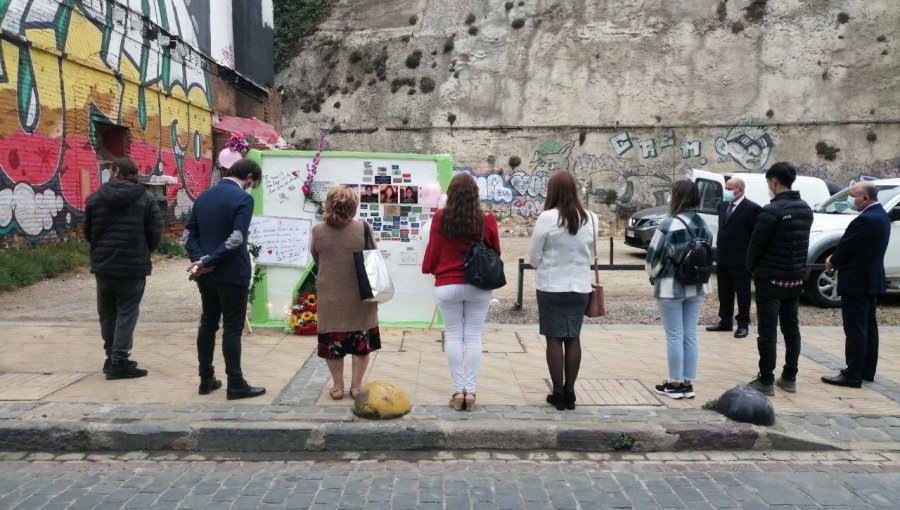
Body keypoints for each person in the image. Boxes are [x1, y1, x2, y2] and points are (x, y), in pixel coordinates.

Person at [184, 159, 266, 400]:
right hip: (232, 272)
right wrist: (210, 260)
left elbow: (189, 234)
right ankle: (236, 383)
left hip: (206, 275)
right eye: (254, 183)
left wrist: (201, 260)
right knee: (232, 327)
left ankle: (206, 378)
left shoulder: (204, 197)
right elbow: (237, 238)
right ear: (249, 177)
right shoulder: (243, 199)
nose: (252, 188)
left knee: (208, 322)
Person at [422, 173, 500, 411]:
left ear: (451, 193)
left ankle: (458, 391)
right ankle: (471, 392)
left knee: (454, 336)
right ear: (475, 194)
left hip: (447, 285)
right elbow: (496, 251)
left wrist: (430, 269)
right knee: (473, 337)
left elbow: (433, 250)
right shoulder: (486, 219)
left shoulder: (440, 218)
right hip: (478, 285)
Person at [83, 157, 162, 380]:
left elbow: (88, 231)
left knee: (107, 312)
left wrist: (101, 250)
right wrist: (144, 251)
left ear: (116, 171)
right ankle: (120, 360)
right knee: (127, 311)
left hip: (104, 265)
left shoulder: (96, 197)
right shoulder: (146, 199)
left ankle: (111, 357)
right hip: (133, 266)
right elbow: (155, 233)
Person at [528, 171, 597, 410]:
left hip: (550, 285)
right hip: (579, 286)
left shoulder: (547, 217)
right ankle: (571, 392)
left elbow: (534, 254)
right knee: (573, 337)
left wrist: (540, 263)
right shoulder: (591, 218)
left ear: (552, 191)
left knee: (553, 338)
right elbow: (592, 251)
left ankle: (557, 393)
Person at [745, 162, 813, 396]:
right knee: (791, 328)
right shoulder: (805, 208)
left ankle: (765, 379)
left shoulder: (771, 210)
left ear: (774, 182)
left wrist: (751, 268)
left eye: (768, 183)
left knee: (768, 331)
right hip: (794, 279)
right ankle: (790, 376)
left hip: (771, 280)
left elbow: (756, 245)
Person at [310, 185, 381, 400]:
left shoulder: (318, 231)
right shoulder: (363, 228)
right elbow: (373, 257)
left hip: (331, 297)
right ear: (353, 206)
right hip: (361, 296)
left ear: (329, 204)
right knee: (361, 345)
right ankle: (356, 386)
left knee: (333, 345)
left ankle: (338, 387)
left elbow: (316, 258)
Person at [645, 180, 713, 399]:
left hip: (671, 286)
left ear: (677, 196)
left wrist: (653, 275)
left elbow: (653, 257)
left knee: (674, 335)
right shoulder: (703, 223)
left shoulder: (669, 223)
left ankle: (674, 384)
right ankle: (687, 382)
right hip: (697, 285)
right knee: (690, 334)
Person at [821, 182, 891, 388]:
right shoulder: (881, 215)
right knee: (868, 327)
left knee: (856, 329)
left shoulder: (866, 219)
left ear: (864, 198)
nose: (849, 200)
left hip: (858, 282)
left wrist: (832, 260)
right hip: (870, 280)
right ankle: (866, 370)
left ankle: (852, 374)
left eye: (852, 196)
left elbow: (847, 246)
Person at [706, 177, 761, 339]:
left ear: (740, 190)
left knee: (743, 294)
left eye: (729, 188)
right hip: (723, 257)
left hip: (741, 260)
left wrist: (750, 258)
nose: (726, 191)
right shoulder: (722, 206)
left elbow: (755, 236)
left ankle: (743, 323)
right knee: (724, 291)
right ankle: (725, 320)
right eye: (726, 188)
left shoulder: (752, 208)